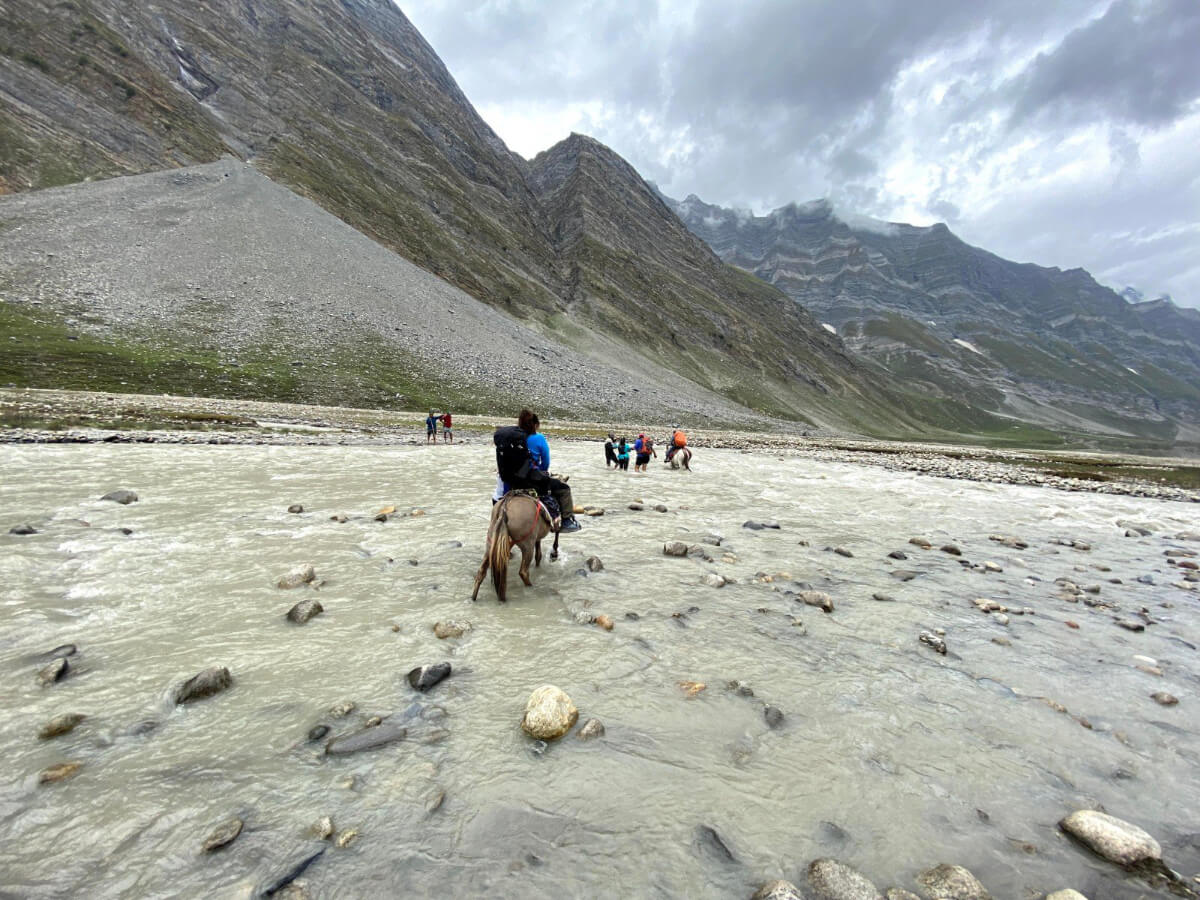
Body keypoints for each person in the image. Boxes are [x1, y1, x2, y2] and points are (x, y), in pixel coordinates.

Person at [492, 409, 581, 533]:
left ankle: (495, 520)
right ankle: (566, 521)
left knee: (497, 496)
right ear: (535, 424)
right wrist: (541, 473)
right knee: (564, 489)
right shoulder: (538, 438)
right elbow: (546, 461)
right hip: (530, 480)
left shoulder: (511, 438)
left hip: (508, 480)